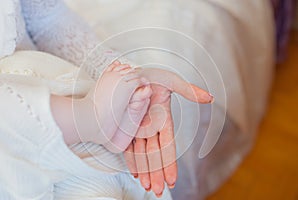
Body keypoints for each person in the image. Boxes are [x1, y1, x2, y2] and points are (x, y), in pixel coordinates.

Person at [0, 0, 213, 199]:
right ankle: (90, 119)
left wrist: (131, 83)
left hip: (51, 105)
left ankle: (92, 120)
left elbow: (46, 19)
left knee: (105, 184)